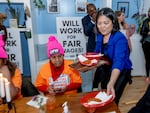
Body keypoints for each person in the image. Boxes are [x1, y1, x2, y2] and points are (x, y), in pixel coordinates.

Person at [92, 7, 132, 105]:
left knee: (113, 100)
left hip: (120, 71)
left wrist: (111, 82)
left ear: (113, 22)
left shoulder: (119, 38)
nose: (102, 27)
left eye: (106, 23)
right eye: (99, 23)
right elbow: (97, 52)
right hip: (106, 69)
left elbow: (118, 61)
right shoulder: (100, 35)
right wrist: (88, 62)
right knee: (105, 96)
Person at [0, 34, 22, 104]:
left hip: (16, 105)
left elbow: (12, 95)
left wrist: (7, 76)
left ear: (4, 60)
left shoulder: (15, 71)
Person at [140, 8, 150, 82]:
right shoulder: (145, 21)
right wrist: (147, 33)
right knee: (148, 60)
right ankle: (147, 76)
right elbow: (141, 32)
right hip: (146, 43)